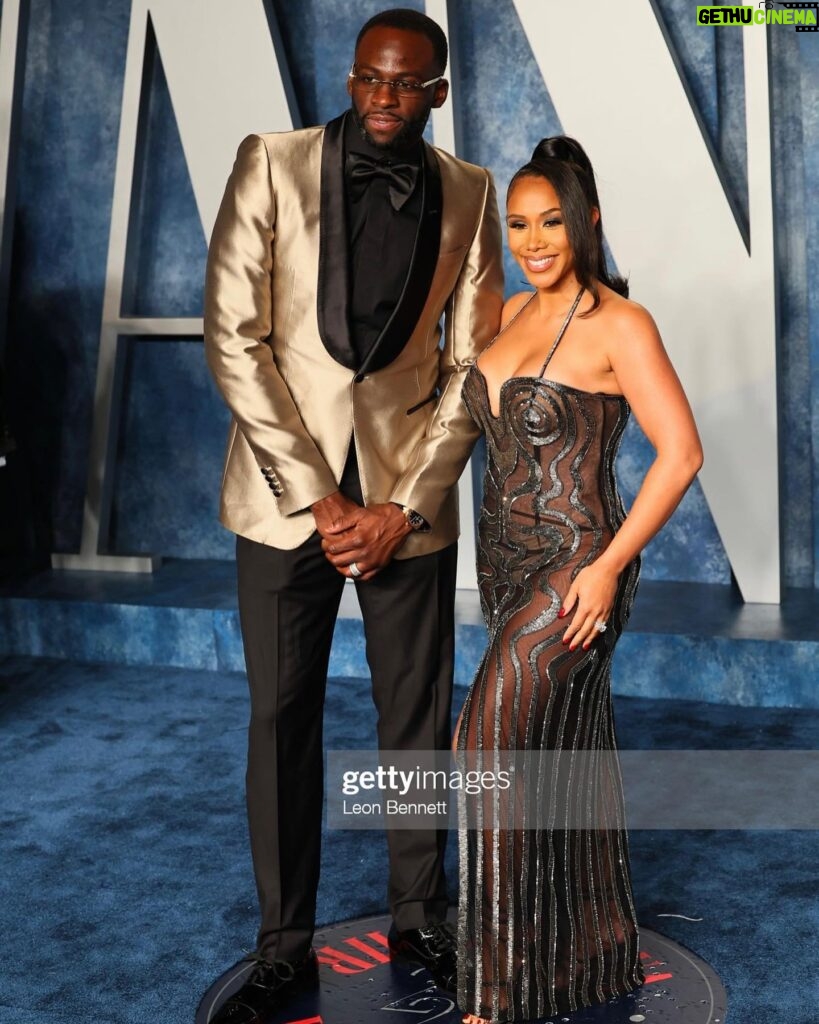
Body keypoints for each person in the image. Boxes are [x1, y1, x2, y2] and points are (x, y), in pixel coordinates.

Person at [203, 8, 504, 1022]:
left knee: (413, 723)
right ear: (351, 77)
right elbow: (234, 338)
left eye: (404, 84)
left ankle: (420, 915)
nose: (382, 99)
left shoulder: (470, 191)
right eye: (369, 79)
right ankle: (284, 944)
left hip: (405, 503)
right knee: (281, 718)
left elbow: (473, 370)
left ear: (439, 93)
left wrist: (403, 508)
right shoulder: (272, 164)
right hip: (286, 502)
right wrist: (325, 498)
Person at [454, 137, 704, 1024]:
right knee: (554, 757)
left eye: (550, 220)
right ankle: (587, 954)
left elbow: (680, 455)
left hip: (577, 568)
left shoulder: (618, 325)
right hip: (503, 570)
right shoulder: (506, 312)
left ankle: (491, 996)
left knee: (481, 752)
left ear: (587, 220)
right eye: (518, 223)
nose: (533, 238)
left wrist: (603, 571)